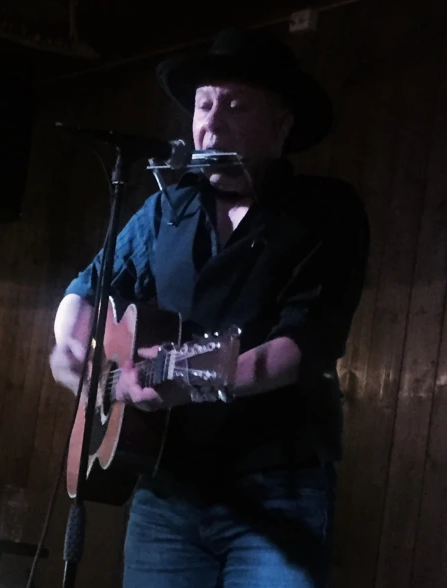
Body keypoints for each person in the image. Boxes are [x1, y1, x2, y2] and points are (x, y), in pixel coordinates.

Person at [49, 27, 370, 588]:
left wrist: (187, 380)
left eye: (235, 106)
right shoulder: (166, 210)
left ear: (283, 125)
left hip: (279, 488)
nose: (210, 123)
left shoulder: (325, 212)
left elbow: (301, 346)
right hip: (166, 489)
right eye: (203, 104)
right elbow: (88, 287)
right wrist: (72, 348)